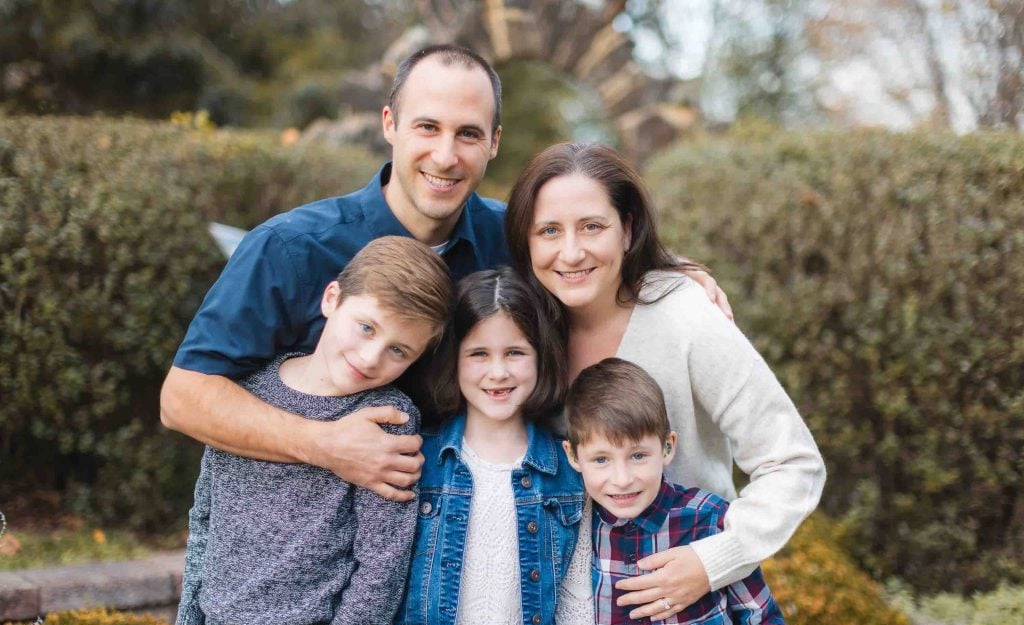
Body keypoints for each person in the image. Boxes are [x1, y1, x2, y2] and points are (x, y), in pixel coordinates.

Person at [160, 44, 731, 502]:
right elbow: (184, 397)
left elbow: (594, 255)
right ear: (390, 123)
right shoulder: (291, 248)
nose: (445, 155)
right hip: (311, 560)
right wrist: (325, 444)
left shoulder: (515, 241)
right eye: (427, 127)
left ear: (494, 144)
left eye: (468, 134)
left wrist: (672, 273)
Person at [504, 141, 826, 619]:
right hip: (563, 622)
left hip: (686, 617)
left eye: (592, 226)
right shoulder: (520, 331)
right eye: (549, 230)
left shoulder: (684, 317)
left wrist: (711, 560)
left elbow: (793, 462)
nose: (570, 252)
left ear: (627, 229)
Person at [163, 237, 452, 625]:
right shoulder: (247, 395)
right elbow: (206, 517)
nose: (371, 357)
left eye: (399, 351)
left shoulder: (389, 421)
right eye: (367, 327)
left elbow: (380, 571)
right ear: (332, 299)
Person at [368, 268, 594, 625]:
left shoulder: (569, 472)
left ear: (541, 356)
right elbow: (381, 586)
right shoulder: (415, 459)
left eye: (515, 353)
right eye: (479, 354)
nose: (498, 373)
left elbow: (576, 598)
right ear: (453, 359)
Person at [564, 358, 789, 625]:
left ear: (667, 447)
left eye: (638, 455)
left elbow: (759, 618)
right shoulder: (579, 535)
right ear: (574, 456)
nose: (622, 478)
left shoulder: (708, 519)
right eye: (601, 459)